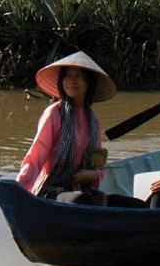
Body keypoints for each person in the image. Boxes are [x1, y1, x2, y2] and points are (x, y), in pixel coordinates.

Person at [16, 51, 143, 207]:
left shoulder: (92, 119)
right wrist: (17, 189)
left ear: (89, 82)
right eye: (67, 75)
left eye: (79, 76)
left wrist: (94, 175)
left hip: (83, 192)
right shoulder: (54, 114)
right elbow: (35, 158)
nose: (72, 81)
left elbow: (99, 161)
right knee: (80, 201)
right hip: (51, 191)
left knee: (136, 205)